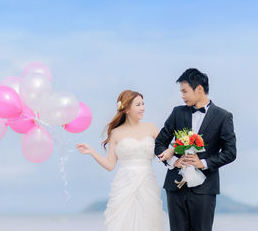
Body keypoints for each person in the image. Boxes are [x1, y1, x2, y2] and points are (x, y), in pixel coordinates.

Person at [155, 68, 237, 231]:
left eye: (185, 91)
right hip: (175, 187)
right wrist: (174, 161)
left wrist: (203, 163)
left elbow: (230, 152)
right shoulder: (177, 112)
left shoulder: (223, 116)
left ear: (199, 89)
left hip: (204, 189)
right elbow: (159, 143)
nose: (182, 96)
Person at [76, 90, 168, 231]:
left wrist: (180, 150)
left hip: (147, 182)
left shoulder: (152, 128)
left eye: (143, 104)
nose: (143, 107)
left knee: (148, 221)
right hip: (124, 183)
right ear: (126, 109)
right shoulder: (116, 133)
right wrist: (91, 152)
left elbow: (166, 151)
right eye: (138, 104)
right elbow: (110, 165)